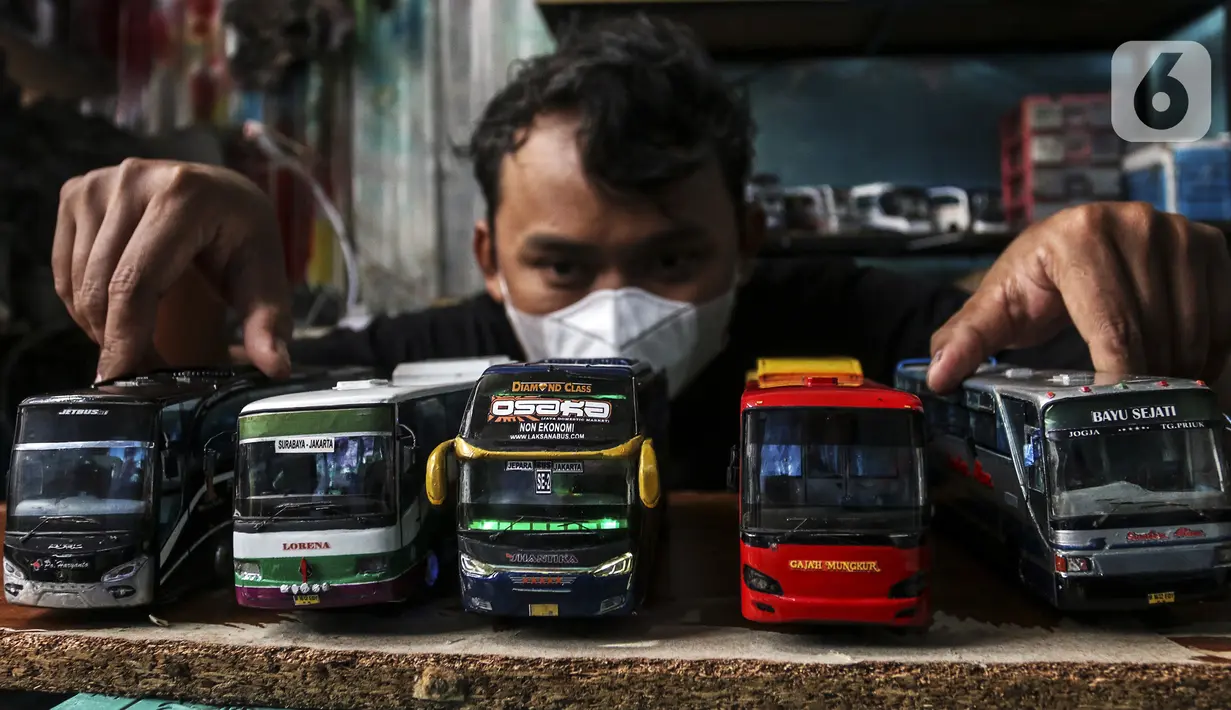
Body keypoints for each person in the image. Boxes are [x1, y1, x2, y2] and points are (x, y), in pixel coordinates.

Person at [50, 15, 1231, 488]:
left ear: (750, 235)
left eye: (671, 260)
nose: (613, 312)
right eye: (561, 267)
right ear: (489, 255)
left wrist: (1115, 285)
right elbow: (243, 411)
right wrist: (191, 276)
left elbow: (1032, 361)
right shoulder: (431, 369)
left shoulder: (862, 326)